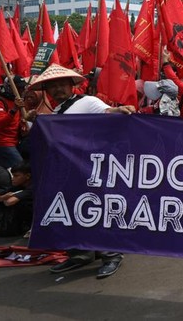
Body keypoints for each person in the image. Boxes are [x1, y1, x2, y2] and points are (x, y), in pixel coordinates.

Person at [28, 64, 134, 278]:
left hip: (91, 169)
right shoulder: (56, 111)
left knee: (98, 211)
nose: (58, 90)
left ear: (71, 86)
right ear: (47, 91)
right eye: (53, 86)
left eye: (62, 85)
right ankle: (80, 253)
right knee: (74, 212)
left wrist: (120, 110)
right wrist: (36, 121)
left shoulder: (88, 102)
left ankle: (111, 254)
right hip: (68, 173)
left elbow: (107, 111)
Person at [0, 76, 26, 169]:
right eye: (19, 88)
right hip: (1, 144)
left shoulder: (16, 101)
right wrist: (14, 109)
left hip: (15, 142)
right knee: (22, 170)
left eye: (23, 87)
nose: (22, 90)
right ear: (9, 87)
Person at [0, 163, 33, 237]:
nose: (13, 178)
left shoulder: (33, 187)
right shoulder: (17, 186)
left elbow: (9, 202)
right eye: (13, 175)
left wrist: (5, 198)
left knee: (21, 203)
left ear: (27, 176)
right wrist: (3, 197)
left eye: (16, 176)